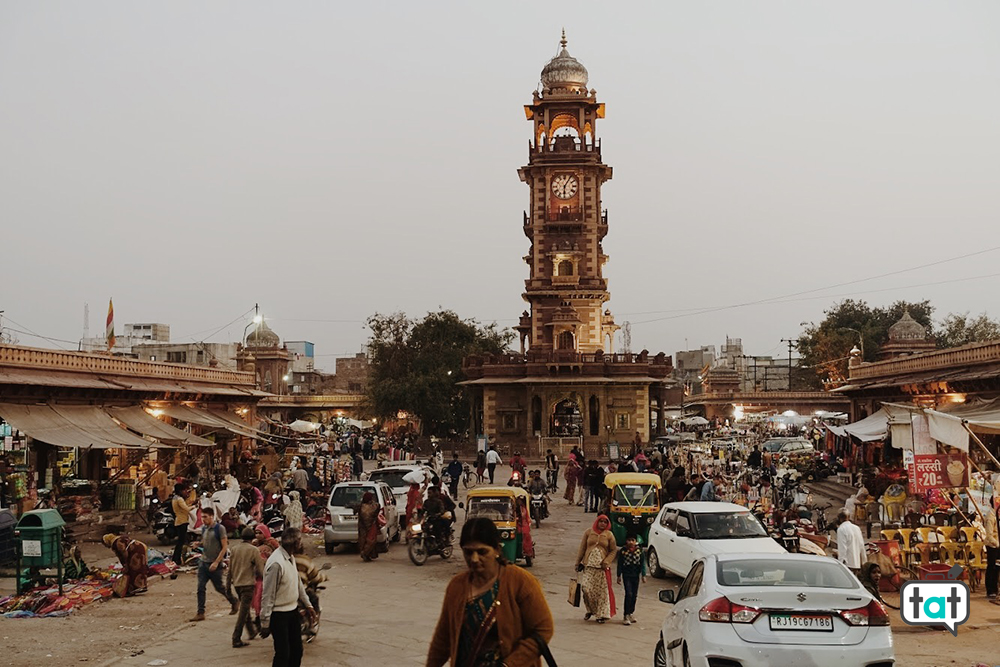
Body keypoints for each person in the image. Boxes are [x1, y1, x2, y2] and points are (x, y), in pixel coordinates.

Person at [426, 518, 554, 667]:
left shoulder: (520, 582)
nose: (474, 559)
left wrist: (510, 664)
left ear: (497, 550)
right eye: (468, 552)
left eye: (482, 552)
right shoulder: (457, 586)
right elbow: (443, 638)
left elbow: (543, 629)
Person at [260, 528, 316, 667]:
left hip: (292, 611)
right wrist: (265, 623)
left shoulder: (290, 557)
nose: (301, 543)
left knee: (297, 650)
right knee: (283, 654)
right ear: (295, 543)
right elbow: (267, 595)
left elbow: (298, 583)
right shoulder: (276, 564)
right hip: (278, 615)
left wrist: (308, 604)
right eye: (300, 541)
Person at [189, 507, 238, 622]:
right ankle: (200, 612)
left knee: (219, 588)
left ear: (212, 516)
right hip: (204, 562)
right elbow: (205, 542)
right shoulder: (204, 529)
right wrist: (198, 544)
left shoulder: (219, 529)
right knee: (200, 588)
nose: (203, 519)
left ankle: (233, 601)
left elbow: (225, 546)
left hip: (215, 564)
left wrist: (216, 562)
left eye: (205, 517)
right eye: (202, 517)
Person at [575, 514, 617, 623]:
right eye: (601, 521)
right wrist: (577, 562)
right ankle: (591, 610)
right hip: (589, 566)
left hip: (601, 568)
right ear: (597, 522)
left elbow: (613, 550)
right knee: (586, 589)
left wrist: (607, 561)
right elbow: (582, 548)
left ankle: (601, 614)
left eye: (605, 522)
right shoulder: (589, 532)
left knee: (601, 592)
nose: (602, 524)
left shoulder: (609, 535)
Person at [228, 527, 265, 648]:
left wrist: (228, 585)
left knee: (245, 609)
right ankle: (236, 638)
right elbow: (260, 569)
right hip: (248, 584)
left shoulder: (234, 549)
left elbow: (230, 568)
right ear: (252, 538)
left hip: (237, 583)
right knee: (243, 612)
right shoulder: (253, 550)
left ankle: (252, 631)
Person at [103, 533, 148, 597]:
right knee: (140, 567)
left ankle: (136, 587)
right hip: (139, 547)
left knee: (133, 568)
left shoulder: (116, 543)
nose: (106, 547)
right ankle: (141, 586)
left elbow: (123, 552)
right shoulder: (118, 539)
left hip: (135, 550)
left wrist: (126, 563)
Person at [616, 533, 646, 625]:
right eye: (629, 540)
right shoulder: (623, 551)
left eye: (632, 540)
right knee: (628, 594)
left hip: (635, 575)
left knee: (634, 595)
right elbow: (620, 564)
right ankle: (625, 614)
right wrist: (618, 576)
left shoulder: (640, 551)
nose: (631, 542)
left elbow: (642, 564)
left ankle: (631, 612)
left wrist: (643, 575)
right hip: (627, 575)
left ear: (636, 541)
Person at [170, 483, 194, 573]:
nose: (185, 492)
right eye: (184, 490)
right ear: (180, 491)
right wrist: (194, 506)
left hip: (179, 521)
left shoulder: (175, 498)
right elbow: (186, 509)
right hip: (182, 521)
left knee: (180, 542)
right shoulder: (179, 499)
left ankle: (176, 559)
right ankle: (176, 559)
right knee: (181, 542)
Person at [836, 510, 866, 575]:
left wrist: (841, 564)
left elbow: (842, 549)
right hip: (857, 563)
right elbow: (861, 546)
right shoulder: (856, 528)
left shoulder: (841, 529)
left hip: (847, 564)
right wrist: (864, 561)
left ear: (840, 518)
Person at [357, 491, 383, 562]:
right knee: (371, 541)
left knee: (363, 540)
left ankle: (366, 554)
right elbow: (377, 508)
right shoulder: (373, 506)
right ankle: (365, 553)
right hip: (371, 526)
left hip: (362, 527)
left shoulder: (361, 506)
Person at [984, 495, 999, 602]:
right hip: (992, 545)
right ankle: (991, 590)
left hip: (998, 544)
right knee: (992, 567)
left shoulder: (997, 514)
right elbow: (989, 535)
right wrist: (997, 544)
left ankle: (996, 589)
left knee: (998, 568)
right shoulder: (990, 516)